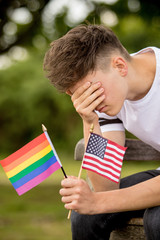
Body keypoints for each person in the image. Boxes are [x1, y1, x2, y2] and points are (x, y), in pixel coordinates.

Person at [43, 24, 160, 240]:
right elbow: (106, 187)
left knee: (157, 219)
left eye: (93, 91)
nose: (92, 102)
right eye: (81, 96)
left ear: (119, 66)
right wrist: (90, 122)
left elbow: (101, 199)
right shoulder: (110, 93)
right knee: (83, 217)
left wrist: (96, 202)